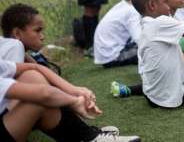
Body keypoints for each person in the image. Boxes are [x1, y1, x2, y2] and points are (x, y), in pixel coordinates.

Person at [0, 58, 140, 142]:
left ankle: (84, 135)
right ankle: (87, 136)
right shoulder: (15, 45)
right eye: (38, 30)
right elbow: (44, 94)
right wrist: (73, 101)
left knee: (31, 76)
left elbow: (35, 67)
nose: (42, 35)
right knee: (37, 100)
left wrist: (74, 90)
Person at [94, 0, 144, 68]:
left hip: (107, 53)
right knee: (152, 49)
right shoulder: (132, 11)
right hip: (113, 57)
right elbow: (139, 38)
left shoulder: (123, 5)